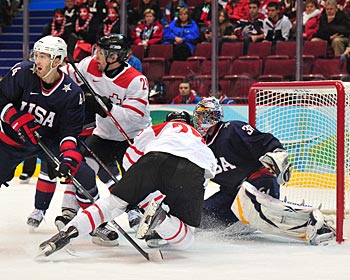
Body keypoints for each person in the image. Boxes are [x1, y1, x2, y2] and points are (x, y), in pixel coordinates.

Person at [37, 111, 217, 256]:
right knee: (187, 238)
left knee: (113, 204)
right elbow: (208, 173)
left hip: (154, 158)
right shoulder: (200, 141)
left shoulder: (159, 128)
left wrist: (136, 193)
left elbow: (129, 158)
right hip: (194, 169)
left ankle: (67, 233)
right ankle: (161, 220)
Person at [192, 97, 335, 245]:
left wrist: (278, 154)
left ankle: (316, 224)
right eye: (198, 116)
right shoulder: (200, 147)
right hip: (231, 194)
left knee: (256, 209)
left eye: (202, 115)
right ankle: (243, 223)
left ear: (212, 116)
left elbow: (262, 141)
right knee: (200, 216)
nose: (199, 120)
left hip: (257, 181)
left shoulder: (232, 129)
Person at [0, 35, 97, 227]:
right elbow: (1, 98)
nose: (37, 61)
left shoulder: (72, 94)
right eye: (36, 55)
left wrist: (68, 155)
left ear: (58, 60)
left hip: (48, 141)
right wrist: (14, 118)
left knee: (83, 173)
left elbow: (69, 131)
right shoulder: (22, 72)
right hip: (12, 141)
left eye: (44, 56)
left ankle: (96, 221)